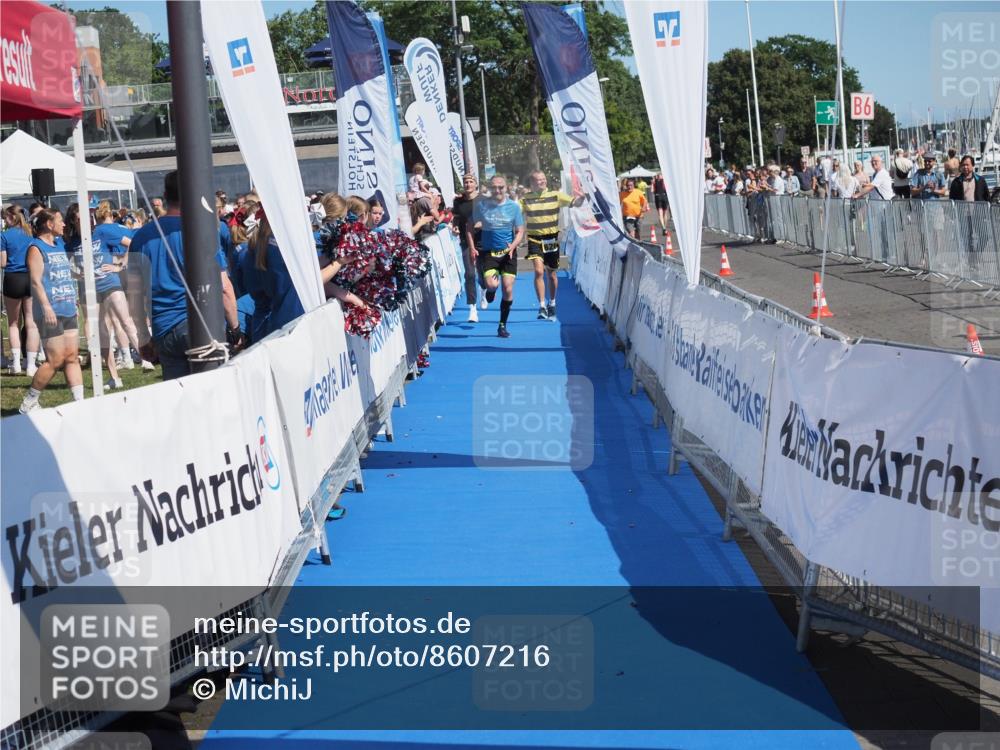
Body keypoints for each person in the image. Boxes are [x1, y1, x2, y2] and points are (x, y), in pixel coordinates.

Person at [129, 171, 240, 381]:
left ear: (165, 196)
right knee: (213, 396)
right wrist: (236, 328)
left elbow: (134, 296)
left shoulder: (141, 237)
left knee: (180, 402)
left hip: (165, 331)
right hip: (203, 326)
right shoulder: (202, 232)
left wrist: (143, 337)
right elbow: (224, 287)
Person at [18, 209, 83, 413]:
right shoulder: (36, 248)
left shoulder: (60, 244)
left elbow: (63, 274)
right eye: (60, 220)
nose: (63, 224)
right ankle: (29, 402)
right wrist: (46, 307)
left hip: (67, 306)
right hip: (49, 310)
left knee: (72, 355)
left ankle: (79, 403)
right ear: (48, 224)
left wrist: (73, 301)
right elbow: (36, 282)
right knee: (55, 360)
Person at [468, 175, 525, 338]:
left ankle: (502, 325)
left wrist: (513, 245)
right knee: (492, 286)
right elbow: (469, 226)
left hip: (509, 253)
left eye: (501, 187)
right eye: (494, 187)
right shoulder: (481, 206)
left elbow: (520, 231)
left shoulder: (514, 207)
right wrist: (472, 247)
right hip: (489, 253)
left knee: (507, 288)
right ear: (490, 188)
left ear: (506, 188)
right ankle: (490, 290)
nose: (497, 190)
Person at [521, 170, 577, 321]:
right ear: (532, 184)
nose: (542, 182)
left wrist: (584, 196)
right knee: (539, 271)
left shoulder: (556, 196)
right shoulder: (525, 199)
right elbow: (514, 214)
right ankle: (542, 306)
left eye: (543, 179)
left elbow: (575, 202)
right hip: (534, 239)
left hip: (551, 239)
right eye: (538, 180)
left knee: (551, 274)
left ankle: (552, 303)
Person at [2, 205, 39, 376]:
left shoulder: (4, 235)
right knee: (31, 323)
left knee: (13, 323)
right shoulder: (30, 234)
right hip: (29, 278)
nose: (3, 219)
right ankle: (30, 364)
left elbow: (2, 262)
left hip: (12, 278)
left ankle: (16, 363)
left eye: (4, 217)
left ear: (11, 217)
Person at [453, 173, 481, 322]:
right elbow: (456, 218)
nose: (468, 184)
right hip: (465, 240)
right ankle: (473, 309)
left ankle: (483, 288)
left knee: (483, 276)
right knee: (470, 274)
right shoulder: (458, 201)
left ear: (476, 184)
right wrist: (455, 227)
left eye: (471, 182)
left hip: (483, 240)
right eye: (466, 182)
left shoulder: (483, 200)